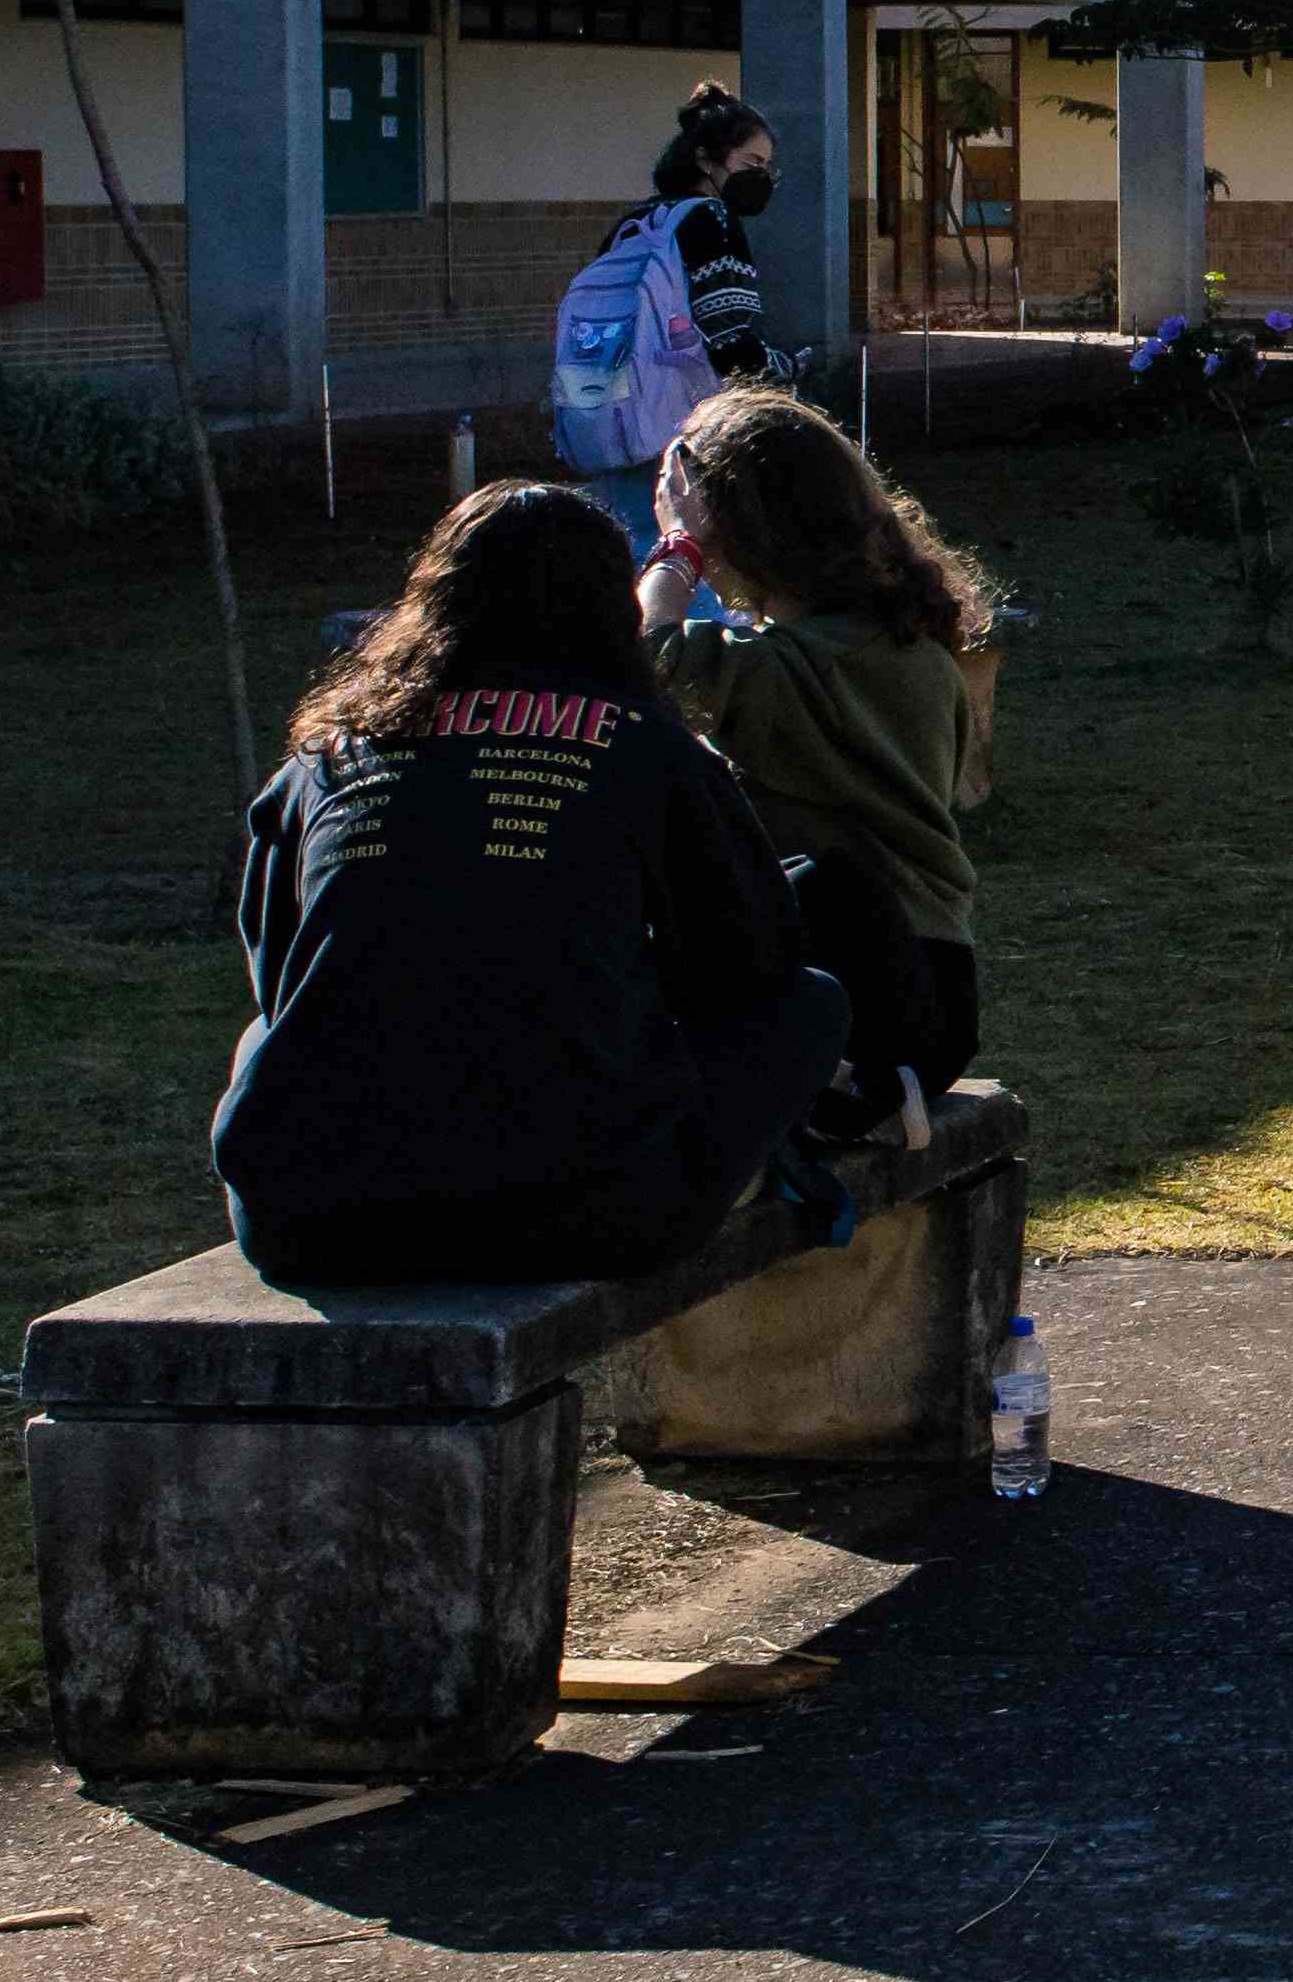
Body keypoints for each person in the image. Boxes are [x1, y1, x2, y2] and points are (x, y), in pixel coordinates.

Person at [216, 481, 849, 1288]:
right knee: (814, 1004)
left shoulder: (332, 757)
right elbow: (755, 972)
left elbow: (278, 980)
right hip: (581, 1213)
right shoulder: (644, 748)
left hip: (309, 1221)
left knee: (266, 1036)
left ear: (431, 599)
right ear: (609, 608)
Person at [636, 384, 1005, 1105]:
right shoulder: (912, 652)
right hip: (935, 989)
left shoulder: (796, 670)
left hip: (861, 997)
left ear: (738, 532)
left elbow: (649, 656)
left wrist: (677, 548)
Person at [554, 83, 781, 569]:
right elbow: (728, 338)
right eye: (751, 164)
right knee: (687, 557)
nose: (763, 177)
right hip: (678, 424)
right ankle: (672, 643)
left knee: (627, 552)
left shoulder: (638, 221)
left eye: (767, 167)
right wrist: (781, 374)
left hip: (608, 413)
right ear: (707, 160)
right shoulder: (712, 220)